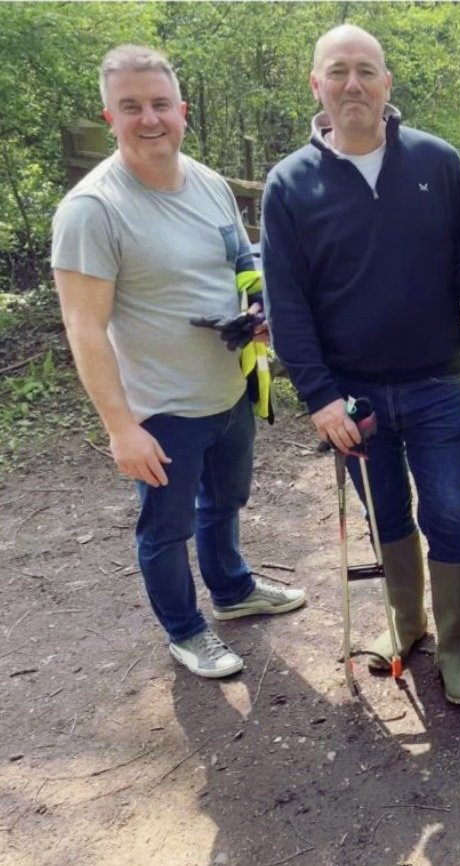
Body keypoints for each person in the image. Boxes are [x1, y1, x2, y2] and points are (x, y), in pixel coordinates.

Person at [260, 24, 460, 705]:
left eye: (365, 70)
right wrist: (319, 398)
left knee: (449, 517)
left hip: (435, 385)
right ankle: (409, 628)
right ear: (316, 85)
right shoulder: (288, 185)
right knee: (388, 518)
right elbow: (287, 306)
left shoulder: (436, 162)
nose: (352, 84)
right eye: (337, 71)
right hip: (354, 399)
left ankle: (456, 650)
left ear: (387, 83)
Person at [51, 45, 306, 680]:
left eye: (159, 104)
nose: (149, 119)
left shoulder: (210, 183)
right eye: (131, 107)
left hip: (229, 387)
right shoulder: (93, 210)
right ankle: (186, 630)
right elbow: (83, 326)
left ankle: (233, 590)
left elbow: (240, 265)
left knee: (224, 502)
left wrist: (259, 310)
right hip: (160, 408)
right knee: (165, 530)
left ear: (182, 112)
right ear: (109, 117)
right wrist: (121, 428)